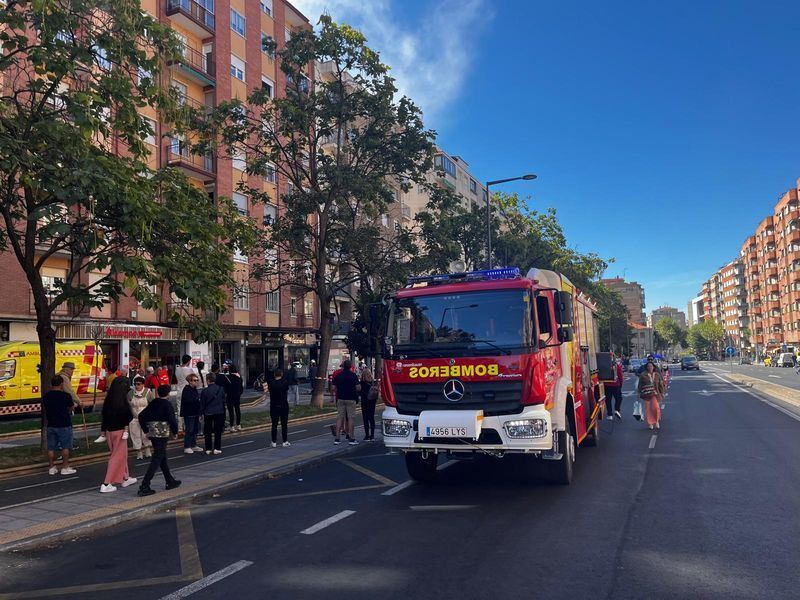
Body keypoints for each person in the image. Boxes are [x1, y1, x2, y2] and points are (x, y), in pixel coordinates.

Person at [137, 384, 181, 496]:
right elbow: (172, 420)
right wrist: (175, 432)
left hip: (152, 433)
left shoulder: (153, 403)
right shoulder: (167, 404)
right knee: (157, 458)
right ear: (168, 394)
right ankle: (145, 484)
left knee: (162, 457)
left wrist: (146, 430)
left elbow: (141, 416)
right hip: (162, 433)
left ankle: (169, 481)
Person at [99, 376, 137, 493]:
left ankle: (125, 478)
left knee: (120, 455)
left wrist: (103, 430)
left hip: (109, 431)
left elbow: (104, 416)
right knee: (117, 457)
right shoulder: (123, 401)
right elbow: (129, 416)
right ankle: (106, 483)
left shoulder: (109, 399)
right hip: (120, 431)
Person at [43, 375, 76, 475]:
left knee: (51, 447)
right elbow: (71, 407)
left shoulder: (46, 396)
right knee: (65, 446)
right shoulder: (66, 396)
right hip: (64, 424)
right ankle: (65, 467)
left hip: (51, 424)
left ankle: (51, 467)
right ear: (61, 384)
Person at [331, 359, 361, 445]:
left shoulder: (338, 375)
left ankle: (337, 438)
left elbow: (333, 388)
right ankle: (351, 438)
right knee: (351, 418)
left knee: (339, 418)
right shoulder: (353, 375)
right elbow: (358, 388)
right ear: (350, 366)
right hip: (351, 398)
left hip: (340, 398)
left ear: (343, 366)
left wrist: (339, 390)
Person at [126, 376, 154, 460]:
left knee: (146, 434)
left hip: (145, 418)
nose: (136, 386)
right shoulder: (130, 393)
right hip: (134, 418)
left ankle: (147, 449)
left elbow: (153, 404)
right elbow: (128, 405)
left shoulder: (148, 392)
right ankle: (139, 452)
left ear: (143, 384)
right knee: (135, 435)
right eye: (135, 384)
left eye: (138, 384)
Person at [200, 372, 226, 455]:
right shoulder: (221, 389)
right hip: (219, 412)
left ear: (208, 380)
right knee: (218, 431)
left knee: (207, 431)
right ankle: (217, 448)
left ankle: (208, 448)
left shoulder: (204, 391)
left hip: (208, 412)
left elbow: (202, 404)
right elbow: (223, 401)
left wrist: (201, 413)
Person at [265, 368, 290, 447]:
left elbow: (268, 389)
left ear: (274, 374)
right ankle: (285, 441)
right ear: (281, 374)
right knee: (284, 424)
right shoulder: (285, 382)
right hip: (283, 405)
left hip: (274, 405)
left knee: (274, 424)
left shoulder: (271, 383)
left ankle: (273, 442)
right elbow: (286, 389)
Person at [637, 359, 665, 431]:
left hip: (655, 394)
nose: (650, 367)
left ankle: (656, 421)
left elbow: (660, 385)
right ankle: (650, 423)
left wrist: (662, 393)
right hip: (647, 394)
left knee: (656, 408)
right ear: (647, 367)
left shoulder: (657, 375)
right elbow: (640, 385)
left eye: (651, 366)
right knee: (648, 409)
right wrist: (639, 393)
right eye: (648, 366)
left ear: (653, 367)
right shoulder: (643, 375)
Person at [180, 373, 203, 454]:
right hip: (189, 413)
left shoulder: (194, 389)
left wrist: (199, 413)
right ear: (190, 381)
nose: (196, 381)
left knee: (195, 430)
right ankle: (187, 446)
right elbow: (189, 401)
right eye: (194, 380)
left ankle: (193, 445)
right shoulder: (186, 389)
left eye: (197, 380)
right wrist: (197, 400)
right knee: (189, 430)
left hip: (195, 412)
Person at [174, 354, 195, 432]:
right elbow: (193, 380)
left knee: (179, 410)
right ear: (188, 361)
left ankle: (180, 428)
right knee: (187, 410)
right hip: (187, 391)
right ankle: (187, 427)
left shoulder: (177, 369)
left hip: (179, 390)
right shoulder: (189, 370)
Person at [222, 364, 244, 432]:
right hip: (237, 396)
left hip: (230, 396)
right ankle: (238, 425)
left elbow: (226, 388)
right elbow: (241, 388)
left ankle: (232, 426)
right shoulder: (239, 377)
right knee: (237, 410)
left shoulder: (228, 377)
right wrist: (239, 394)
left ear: (230, 370)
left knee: (231, 411)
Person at [604, 356, 624, 420]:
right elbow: (620, 375)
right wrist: (621, 384)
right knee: (619, 398)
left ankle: (610, 414)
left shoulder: (604, 365)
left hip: (606, 385)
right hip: (616, 385)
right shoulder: (616, 366)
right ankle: (617, 410)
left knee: (608, 400)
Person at [359, 364, 377, 441]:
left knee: (365, 418)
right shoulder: (373, 382)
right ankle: (372, 435)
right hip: (372, 401)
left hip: (364, 401)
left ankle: (367, 435)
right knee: (371, 418)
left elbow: (359, 391)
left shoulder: (362, 383)